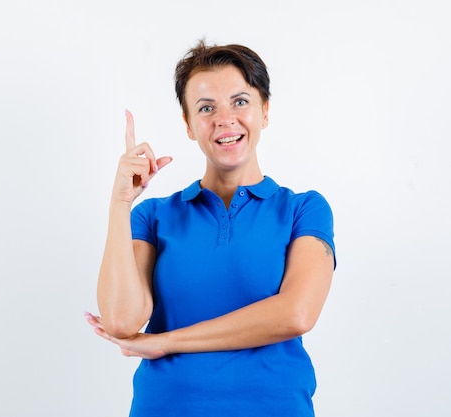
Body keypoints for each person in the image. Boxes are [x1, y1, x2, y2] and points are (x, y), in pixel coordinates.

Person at [84, 39, 336, 416]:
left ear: (264, 111)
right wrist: (120, 203)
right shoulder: (153, 217)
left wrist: (166, 342)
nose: (224, 119)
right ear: (188, 124)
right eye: (206, 108)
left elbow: (295, 314)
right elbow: (122, 321)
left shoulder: (304, 210)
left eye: (240, 101)